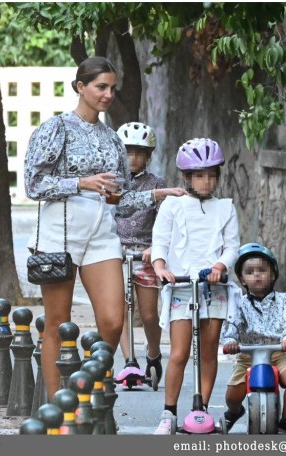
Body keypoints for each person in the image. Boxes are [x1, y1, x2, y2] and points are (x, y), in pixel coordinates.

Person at [23, 56, 186, 400]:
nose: (108, 94)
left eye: (112, 87)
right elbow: (33, 185)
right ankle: (57, 409)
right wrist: (81, 183)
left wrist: (156, 195)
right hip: (59, 234)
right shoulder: (57, 128)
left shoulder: (113, 139)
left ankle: (81, 387)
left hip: (101, 236)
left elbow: (121, 200)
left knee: (113, 321)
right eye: (101, 87)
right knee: (57, 323)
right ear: (80, 87)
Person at [151, 137, 241, 434]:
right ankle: (169, 412)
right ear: (186, 177)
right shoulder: (172, 206)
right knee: (178, 352)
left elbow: (232, 246)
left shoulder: (225, 207)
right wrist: (161, 266)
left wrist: (219, 267)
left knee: (208, 350)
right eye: (199, 175)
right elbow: (160, 241)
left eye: (212, 174)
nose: (206, 181)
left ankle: (201, 409)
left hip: (213, 287)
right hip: (181, 286)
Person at [222, 243, 286, 435]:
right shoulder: (239, 302)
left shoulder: (283, 299)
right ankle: (234, 412)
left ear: (273, 274)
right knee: (232, 396)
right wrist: (230, 341)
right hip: (247, 355)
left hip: (277, 352)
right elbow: (232, 323)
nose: (257, 275)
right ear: (242, 279)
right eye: (250, 272)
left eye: (262, 270)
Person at [115, 122, 165, 382]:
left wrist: (153, 248)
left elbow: (164, 223)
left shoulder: (156, 184)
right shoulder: (112, 183)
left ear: (148, 156)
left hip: (143, 254)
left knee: (147, 314)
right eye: (128, 152)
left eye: (138, 153)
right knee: (120, 311)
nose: (133, 159)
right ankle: (129, 361)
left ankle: (153, 353)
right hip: (117, 254)